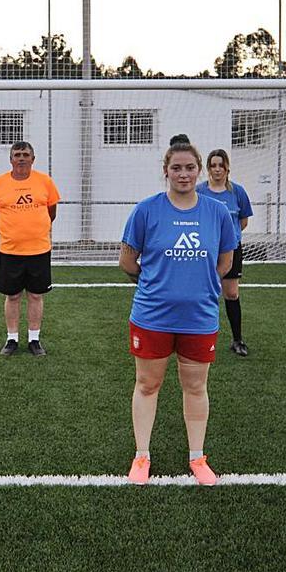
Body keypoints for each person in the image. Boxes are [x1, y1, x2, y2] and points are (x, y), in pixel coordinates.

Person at [119, 135, 239, 486]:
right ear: (166, 171)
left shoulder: (217, 212)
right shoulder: (146, 210)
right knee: (147, 384)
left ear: (199, 171)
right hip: (152, 315)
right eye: (176, 168)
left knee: (196, 386)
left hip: (199, 317)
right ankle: (142, 456)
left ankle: (197, 457)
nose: (183, 174)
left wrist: (196, 286)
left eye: (189, 168)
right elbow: (128, 261)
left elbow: (226, 261)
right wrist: (157, 283)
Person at [0, 141, 60, 357]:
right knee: (13, 296)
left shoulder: (45, 182)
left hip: (39, 250)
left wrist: (34, 231)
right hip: (10, 250)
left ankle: (34, 340)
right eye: (17, 154)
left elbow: (51, 212)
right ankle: (12, 339)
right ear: (10, 159)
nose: (21, 158)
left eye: (25, 154)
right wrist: (11, 233)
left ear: (33, 159)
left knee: (36, 295)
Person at [197, 148, 254, 357]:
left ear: (227, 167)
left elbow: (243, 221)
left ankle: (237, 340)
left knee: (231, 293)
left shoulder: (237, 192)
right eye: (213, 165)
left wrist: (229, 240)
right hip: (205, 251)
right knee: (201, 292)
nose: (217, 169)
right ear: (208, 168)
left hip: (230, 251)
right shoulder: (200, 191)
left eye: (221, 165)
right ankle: (196, 338)